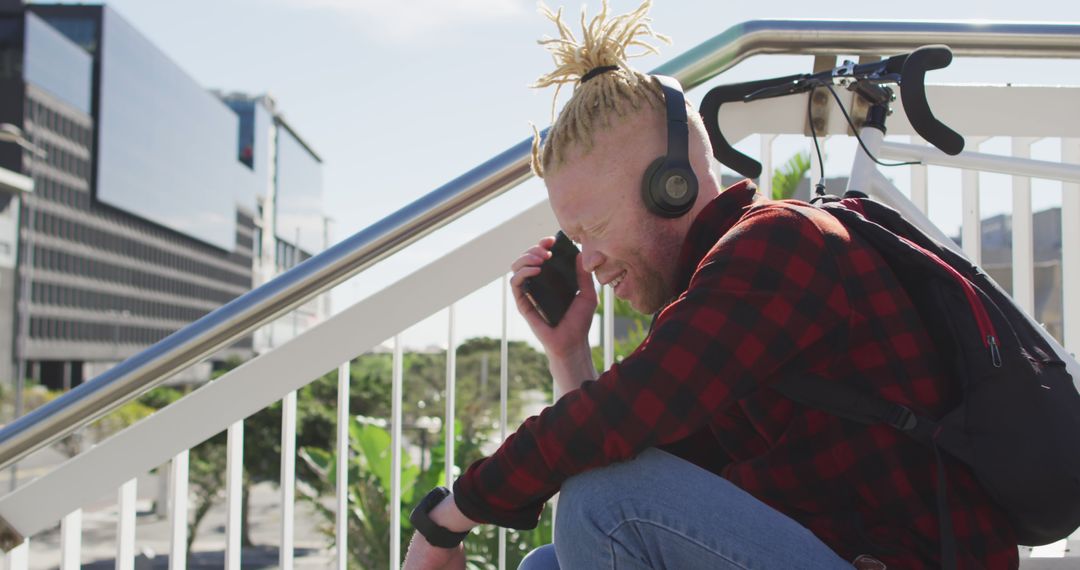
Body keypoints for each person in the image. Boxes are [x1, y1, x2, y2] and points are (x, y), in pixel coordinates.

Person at [403, 1, 1019, 568]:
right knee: (549, 563)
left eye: (594, 227)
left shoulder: (777, 246)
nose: (585, 259)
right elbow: (621, 441)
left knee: (607, 503)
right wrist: (569, 352)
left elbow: (620, 423)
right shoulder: (716, 302)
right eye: (573, 238)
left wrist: (445, 520)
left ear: (670, 186)